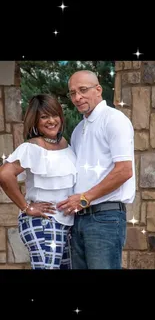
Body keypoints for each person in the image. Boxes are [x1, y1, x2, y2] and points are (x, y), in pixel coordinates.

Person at [57, 70, 135, 269]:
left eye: (83, 90)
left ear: (98, 89)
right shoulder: (77, 131)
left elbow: (124, 170)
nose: (77, 97)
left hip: (105, 218)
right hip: (79, 220)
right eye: (72, 93)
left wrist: (84, 198)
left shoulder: (114, 120)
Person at [0, 94, 77, 269]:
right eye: (44, 117)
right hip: (43, 223)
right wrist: (27, 208)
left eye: (54, 115)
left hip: (65, 225)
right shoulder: (32, 147)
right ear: (35, 121)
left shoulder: (65, 144)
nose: (51, 121)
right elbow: (4, 175)